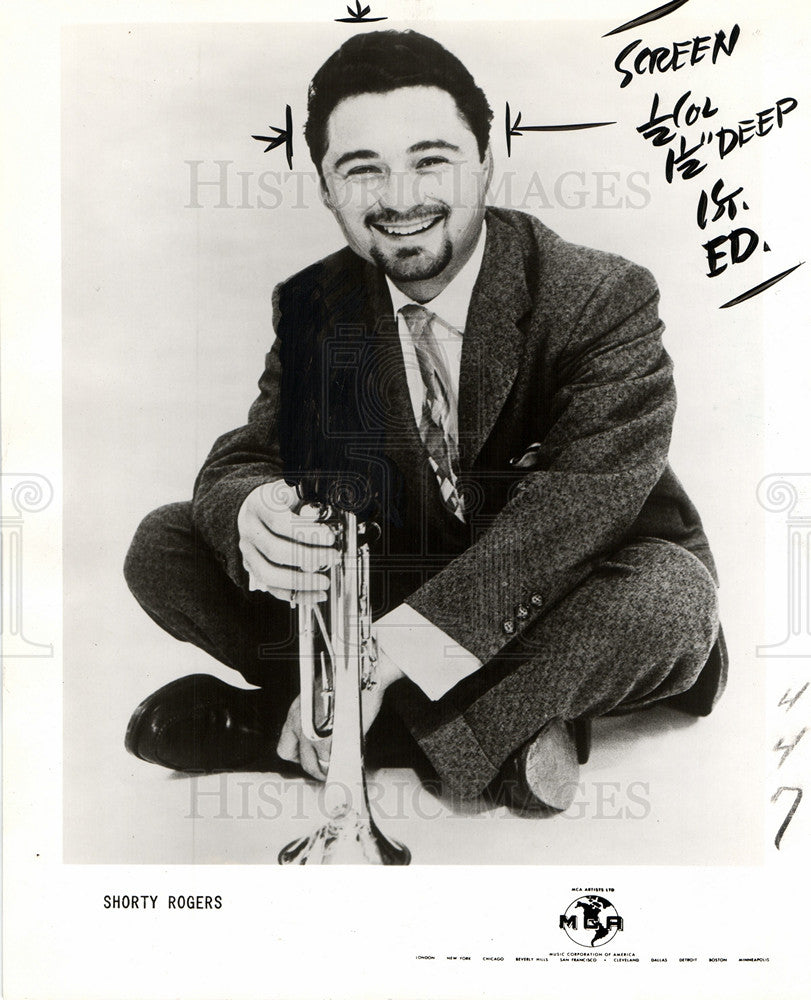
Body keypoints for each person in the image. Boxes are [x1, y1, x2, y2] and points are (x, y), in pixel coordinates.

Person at [123, 29, 725, 813]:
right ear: (327, 188)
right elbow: (246, 456)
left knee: (669, 599)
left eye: (430, 159)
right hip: (406, 584)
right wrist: (250, 509)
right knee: (165, 544)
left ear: (486, 161)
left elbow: (582, 507)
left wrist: (376, 660)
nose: (400, 198)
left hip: (566, 589)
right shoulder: (315, 305)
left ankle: (284, 729)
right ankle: (494, 732)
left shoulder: (597, 295)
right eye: (361, 168)